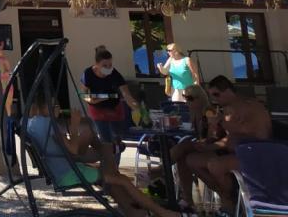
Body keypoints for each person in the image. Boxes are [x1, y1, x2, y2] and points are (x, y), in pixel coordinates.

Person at [25, 96, 190, 217]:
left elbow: (67, 149)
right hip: (68, 174)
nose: (58, 109)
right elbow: (73, 149)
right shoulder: (50, 125)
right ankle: (162, 212)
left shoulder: (33, 124)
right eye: (54, 106)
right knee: (122, 179)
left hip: (63, 169)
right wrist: (74, 126)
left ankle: (133, 210)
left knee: (109, 171)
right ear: (43, 108)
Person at [183, 75, 273, 216]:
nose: (214, 99)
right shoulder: (226, 109)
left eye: (216, 95)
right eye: (211, 95)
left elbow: (246, 134)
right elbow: (227, 138)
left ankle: (232, 202)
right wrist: (210, 136)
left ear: (228, 91)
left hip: (257, 154)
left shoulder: (248, 106)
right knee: (192, 160)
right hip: (237, 151)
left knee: (215, 165)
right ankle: (226, 197)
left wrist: (220, 124)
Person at [82, 45, 142, 151]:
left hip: (115, 108)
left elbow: (126, 94)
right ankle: (109, 158)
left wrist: (136, 107)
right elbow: (83, 94)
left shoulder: (115, 74)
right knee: (106, 141)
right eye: (104, 65)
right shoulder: (88, 73)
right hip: (97, 109)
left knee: (117, 139)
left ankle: (116, 158)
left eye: (110, 65)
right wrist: (90, 100)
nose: (108, 68)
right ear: (96, 64)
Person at [171, 84, 217, 211]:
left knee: (184, 146)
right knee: (182, 157)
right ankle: (187, 199)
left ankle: (162, 169)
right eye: (185, 98)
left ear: (200, 98)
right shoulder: (195, 113)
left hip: (212, 148)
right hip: (202, 146)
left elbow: (213, 136)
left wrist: (201, 143)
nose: (187, 102)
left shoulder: (209, 112)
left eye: (190, 98)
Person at [0, 41, 14, 116]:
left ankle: (9, 120)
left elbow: (10, 73)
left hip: (6, 85)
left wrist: (5, 74)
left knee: (7, 105)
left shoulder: (4, 60)